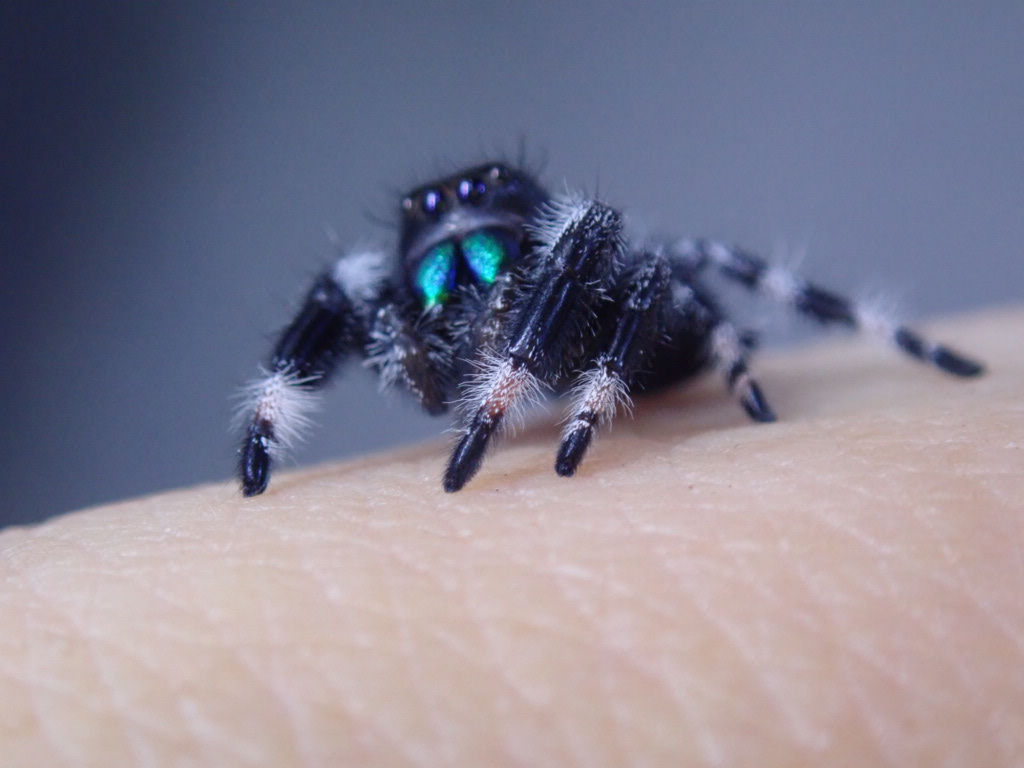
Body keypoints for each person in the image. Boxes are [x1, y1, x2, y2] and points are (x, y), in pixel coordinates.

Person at [2, 309, 1020, 765]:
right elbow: (358, 284)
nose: (455, 280)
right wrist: (272, 411)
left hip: (647, 352)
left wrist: (547, 405)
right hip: (542, 379)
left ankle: (900, 340)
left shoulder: (591, 258)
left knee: (679, 262)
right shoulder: (411, 287)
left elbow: (623, 261)